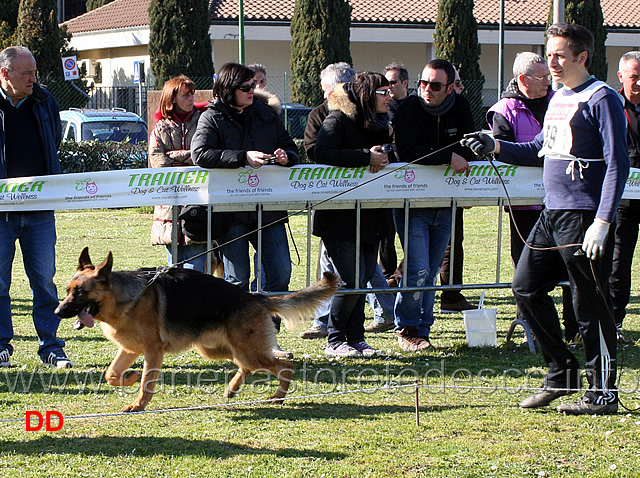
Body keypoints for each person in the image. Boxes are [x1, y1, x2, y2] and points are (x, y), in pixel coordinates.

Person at [463, 24, 629, 415]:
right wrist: (496, 144)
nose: (551, 62)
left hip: (584, 215)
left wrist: (603, 220)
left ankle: (603, 392)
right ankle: (562, 371)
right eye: (549, 54)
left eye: (558, 55)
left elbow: (617, 164)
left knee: (588, 304)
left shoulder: (601, 98)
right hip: (551, 213)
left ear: (581, 57)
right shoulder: (558, 97)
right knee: (525, 288)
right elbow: (540, 147)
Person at [190, 62, 299, 359]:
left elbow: (292, 147)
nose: (253, 91)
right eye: (246, 88)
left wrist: (285, 156)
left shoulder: (267, 114)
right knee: (236, 281)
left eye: (254, 86)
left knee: (279, 273)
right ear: (228, 90)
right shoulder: (210, 117)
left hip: (269, 210)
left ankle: (268, 341)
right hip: (230, 213)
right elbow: (199, 153)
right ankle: (236, 343)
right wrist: (241, 157)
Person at [486, 52, 578, 342]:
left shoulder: (559, 101)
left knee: (570, 264)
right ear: (523, 79)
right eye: (541, 77)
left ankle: (574, 328)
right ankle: (534, 329)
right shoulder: (503, 109)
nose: (547, 82)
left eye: (549, 77)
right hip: (524, 205)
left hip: (561, 201)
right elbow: (509, 153)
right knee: (529, 269)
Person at [392, 58, 476, 351]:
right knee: (415, 268)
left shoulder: (461, 107)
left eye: (435, 85)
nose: (427, 89)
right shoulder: (408, 109)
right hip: (412, 202)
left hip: (447, 201)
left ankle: (424, 327)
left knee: (430, 271)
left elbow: (468, 148)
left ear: (451, 87)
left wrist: (462, 177)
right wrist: (445, 157)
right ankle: (407, 328)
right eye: (423, 83)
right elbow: (407, 150)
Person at [0, 46, 72, 368]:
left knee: (44, 280)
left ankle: (51, 347)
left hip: (40, 210)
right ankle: (1, 346)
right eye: (26, 73)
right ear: (5, 74)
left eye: (34, 71)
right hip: (1, 214)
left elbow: (53, 140)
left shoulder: (45, 101)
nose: (33, 78)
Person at [313, 71, 394, 357]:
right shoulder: (337, 119)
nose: (389, 96)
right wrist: (364, 157)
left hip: (373, 214)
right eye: (384, 92)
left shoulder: (381, 122)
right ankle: (335, 339)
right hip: (341, 216)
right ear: (367, 95)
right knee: (349, 279)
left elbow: (390, 156)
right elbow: (319, 152)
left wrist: (385, 154)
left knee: (362, 280)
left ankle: (356, 338)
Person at [300, 62, 355, 340]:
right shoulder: (318, 115)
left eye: (326, 90)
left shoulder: (363, 112)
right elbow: (313, 150)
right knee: (330, 264)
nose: (324, 96)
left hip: (363, 205)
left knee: (363, 269)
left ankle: (383, 313)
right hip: (329, 201)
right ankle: (323, 320)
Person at [149, 75, 208, 272]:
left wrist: (174, 156)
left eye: (192, 94)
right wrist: (189, 158)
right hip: (169, 206)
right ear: (172, 98)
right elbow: (157, 161)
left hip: (199, 203)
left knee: (196, 272)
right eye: (185, 95)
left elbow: (205, 155)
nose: (192, 98)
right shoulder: (160, 128)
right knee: (173, 272)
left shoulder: (203, 122)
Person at [439, 65, 475, 314]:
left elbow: (468, 144)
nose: (461, 88)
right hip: (420, 187)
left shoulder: (461, 107)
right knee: (428, 244)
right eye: (458, 83)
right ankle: (397, 282)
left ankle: (451, 295)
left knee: (451, 241)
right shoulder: (415, 108)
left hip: (454, 186)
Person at [609, 51, 640, 341]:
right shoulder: (612, 106)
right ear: (621, 77)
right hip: (624, 201)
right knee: (619, 264)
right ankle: (614, 322)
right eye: (635, 77)